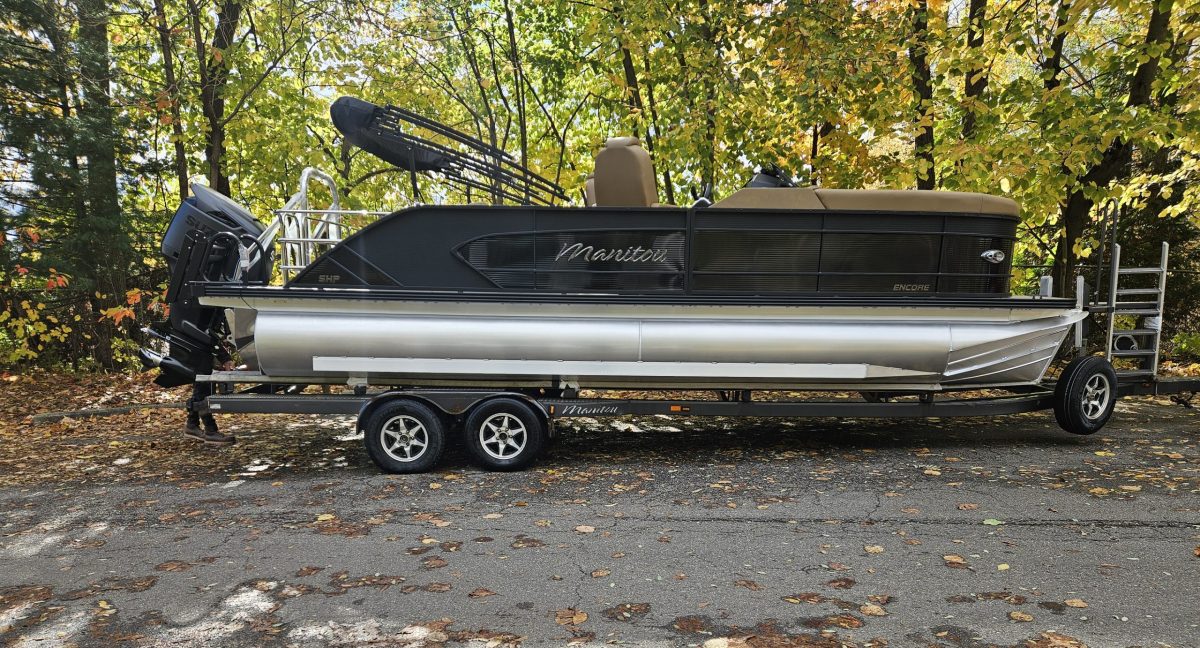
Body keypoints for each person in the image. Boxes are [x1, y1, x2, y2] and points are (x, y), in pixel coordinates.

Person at [184, 332, 237, 445]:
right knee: (203, 389)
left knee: (202, 387)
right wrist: (224, 357)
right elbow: (204, 334)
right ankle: (210, 431)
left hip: (196, 348)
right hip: (198, 349)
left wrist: (224, 356)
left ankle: (192, 424)